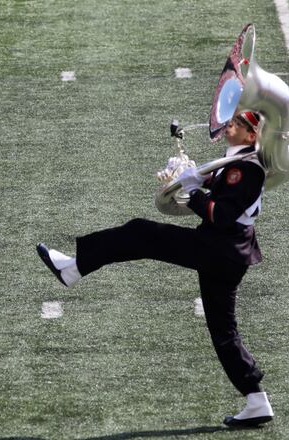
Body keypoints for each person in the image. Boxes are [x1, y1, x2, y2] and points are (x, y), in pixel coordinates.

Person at [37, 111, 274, 427]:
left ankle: (74, 268)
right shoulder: (240, 161)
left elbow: (221, 215)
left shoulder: (245, 169)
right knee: (223, 331)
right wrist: (190, 176)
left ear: (250, 136)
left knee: (141, 233)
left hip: (219, 250)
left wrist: (192, 192)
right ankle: (257, 400)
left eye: (238, 125)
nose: (229, 125)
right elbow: (218, 191)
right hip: (226, 253)